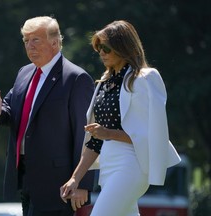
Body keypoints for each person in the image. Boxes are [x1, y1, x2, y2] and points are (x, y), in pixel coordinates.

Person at [0, 16, 95, 216]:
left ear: (54, 43)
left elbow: (87, 136)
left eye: (35, 40)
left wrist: (82, 183)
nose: (30, 46)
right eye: (26, 41)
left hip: (59, 183)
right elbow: (10, 113)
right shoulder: (24, 73)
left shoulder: (76, 78)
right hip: (26, 178)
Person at [60, 20, 181, 216]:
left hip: (132, 164)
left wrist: (108, 133)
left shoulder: (144, 78)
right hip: (108, 167)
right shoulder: (103, 84)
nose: (101, 52)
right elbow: (94, 142)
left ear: (123, 47)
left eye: (106, 48)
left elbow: (152, 135)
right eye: (99, 47)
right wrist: (75, 178)